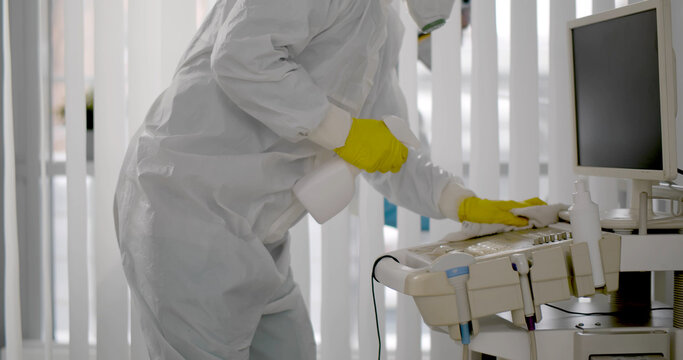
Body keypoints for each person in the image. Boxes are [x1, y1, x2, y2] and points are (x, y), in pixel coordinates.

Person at [114, 0, 551, 358]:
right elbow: (241, 55)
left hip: (254, 234)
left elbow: (387, 148)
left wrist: (464, 203)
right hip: (187, 206)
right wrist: (341, 131)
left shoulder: (379, 26)